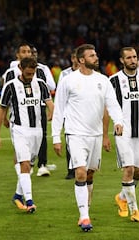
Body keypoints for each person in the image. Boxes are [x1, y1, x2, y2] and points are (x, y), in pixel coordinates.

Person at [51, 44, 123, 232]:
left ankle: (86, 207)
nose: (96, 57)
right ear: (81, 60)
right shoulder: (68, 81)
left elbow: (112, 103)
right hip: (75, 134)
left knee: (90, 174)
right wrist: (55, 137)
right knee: (80, 172)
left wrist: (119, 121)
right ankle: (84, 216)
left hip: (96, 134)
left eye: (96, 54)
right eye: (92, 55)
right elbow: (58, 109)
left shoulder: (103, 80)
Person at [105, 46, 139, 222]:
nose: (132, 60)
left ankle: (122, 197)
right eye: (128, 58)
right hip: (123, 132)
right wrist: (106, 135)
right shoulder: (113, 81)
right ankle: (134, 210)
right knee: (128, 169)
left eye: (134, 57)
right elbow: (107, 109)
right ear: (122, 60)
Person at [0, 57, 54, 213]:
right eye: (27, 73)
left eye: (32, 73)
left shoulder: (40, 84)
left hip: (38, 130)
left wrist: (53, 113)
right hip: (19, 129)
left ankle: (18, 195)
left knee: (29, 166)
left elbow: (49, 102)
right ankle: (30, 201)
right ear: (20, 68)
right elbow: (2, 110)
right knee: (25, 164)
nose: (30, 76)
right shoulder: (10, 86)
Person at [30, 46, 57, 177]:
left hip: (39, 105)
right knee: (27, 136)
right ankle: (31, 164)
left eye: (34, 52)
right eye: (30, 52)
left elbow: (52, 86)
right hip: (25, 106)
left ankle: (41, 164)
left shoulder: (43, 68)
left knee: (41, 136)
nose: (32, 55)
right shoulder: (15, 68)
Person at [58, 48, 80, 179]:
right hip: (69, 113)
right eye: (76, 57)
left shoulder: (88, 73)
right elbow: (61, 94)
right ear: (72, 59)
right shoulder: (64, 74)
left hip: (83, 113)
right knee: (70, 141)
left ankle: (83, 167)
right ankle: (71, 170)